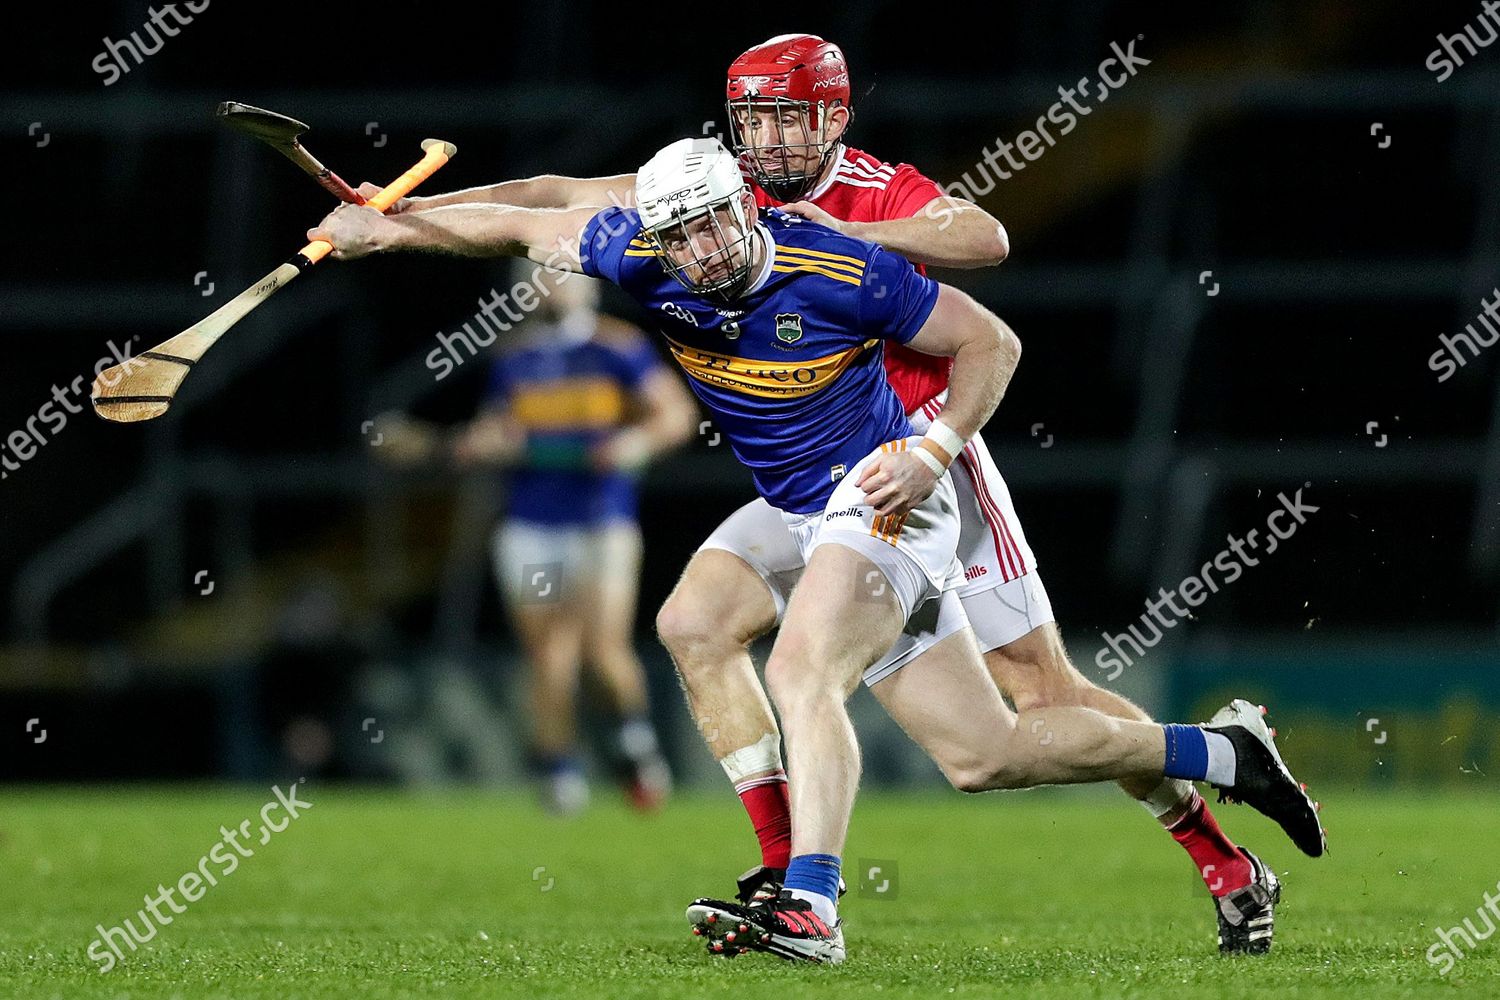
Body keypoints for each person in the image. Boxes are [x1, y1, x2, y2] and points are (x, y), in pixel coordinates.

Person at [367, 34, 1299, 955]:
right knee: (761, 654)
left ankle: (1212, 852)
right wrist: (394, 217)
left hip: (927, 459)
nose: (767, 141)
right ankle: (795, 869)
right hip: (817, 485)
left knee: (1035, 691)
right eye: (752, 120)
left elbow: (985, 239)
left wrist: (853, 240)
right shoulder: (700, 197)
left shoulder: (866, 200)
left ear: (834, 117)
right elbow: (546, 204)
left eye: (787, 118)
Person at [374, 267, 696, 813]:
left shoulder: (619, 347)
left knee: (604, 652)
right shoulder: (514, 358)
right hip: (531, 524)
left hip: (602, 520)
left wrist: (633, 445)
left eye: (563, 275)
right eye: (541, 276)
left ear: (587, 285)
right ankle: (559, 775)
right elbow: (498, 431)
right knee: (549, 655)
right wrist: (479, 445)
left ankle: (633, 744)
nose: (553, 286)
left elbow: (676, 416)